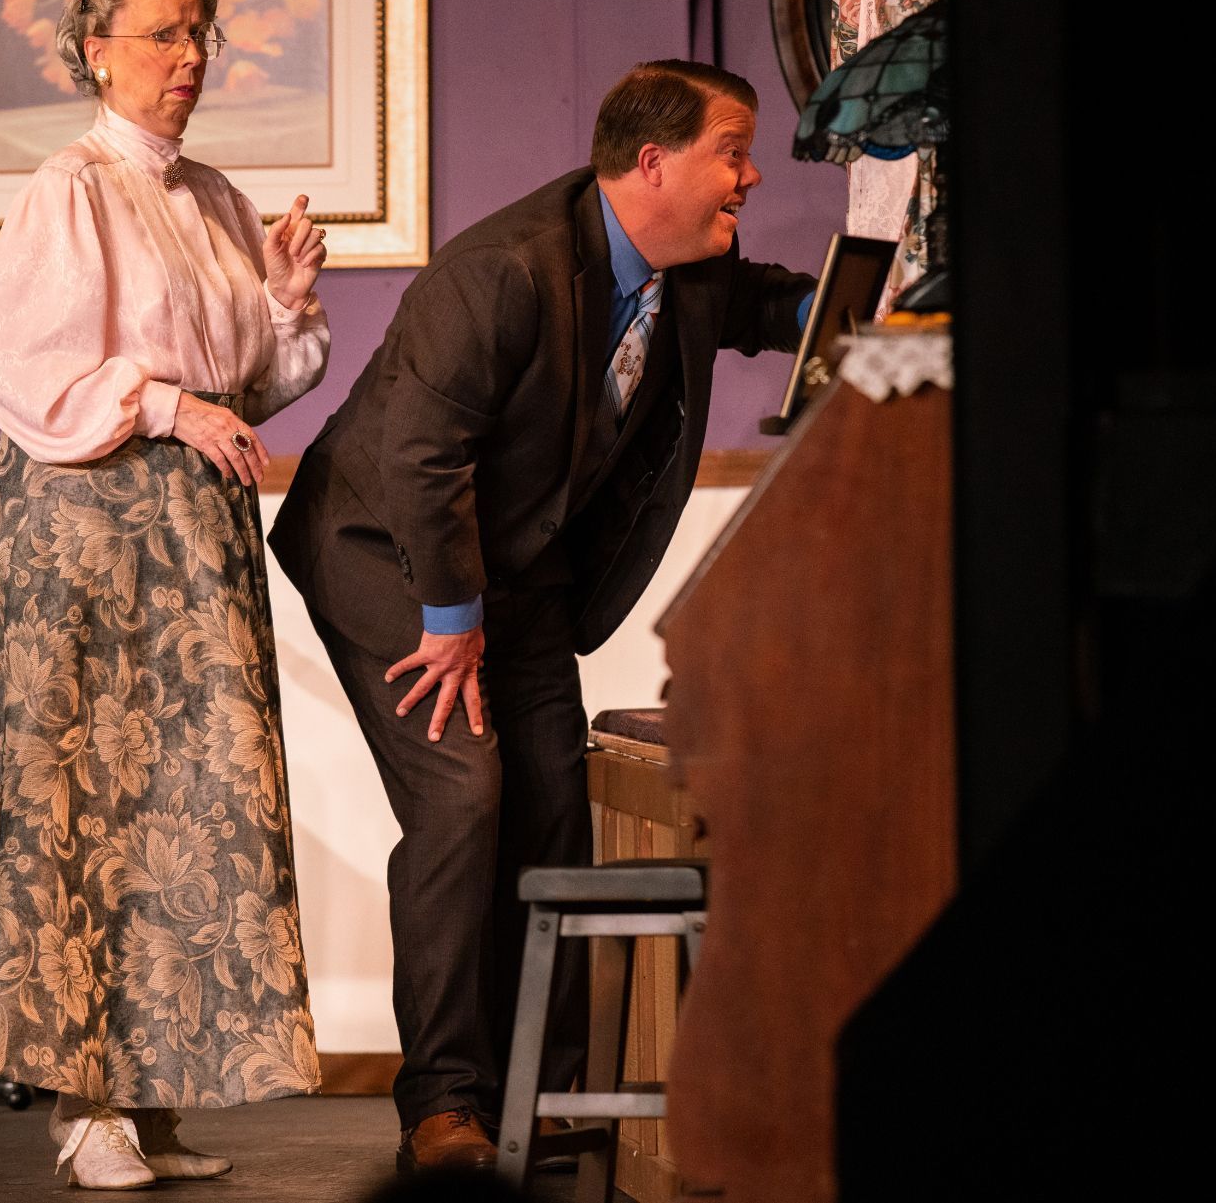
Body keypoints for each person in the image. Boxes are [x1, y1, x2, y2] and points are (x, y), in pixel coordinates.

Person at [269, 60, 815, 1172]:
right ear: (654, 163)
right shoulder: (501, 273)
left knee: (554, 802)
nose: (751, 175)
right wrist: (451, 618)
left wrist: (859, 305)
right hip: (386, 551)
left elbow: (764, 304)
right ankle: (444, 1105)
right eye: (733, 152)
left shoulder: (683, 267)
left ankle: (539, 1088)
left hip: (515, 572)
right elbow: (423, 459)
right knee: (464, 796)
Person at [0, 0, 331, 1191]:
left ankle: (151, 1096)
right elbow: (29, 370)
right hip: (85, 527)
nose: (190, 58)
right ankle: (82, 1111)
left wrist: (284, 304)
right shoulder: (69, 189)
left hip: (190, 539)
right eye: (164, 36)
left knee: (184, 808)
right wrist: (170, 407)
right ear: (97, 53)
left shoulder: (216, 199)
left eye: (201, 35)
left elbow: (249, 386)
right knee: (79, 806)